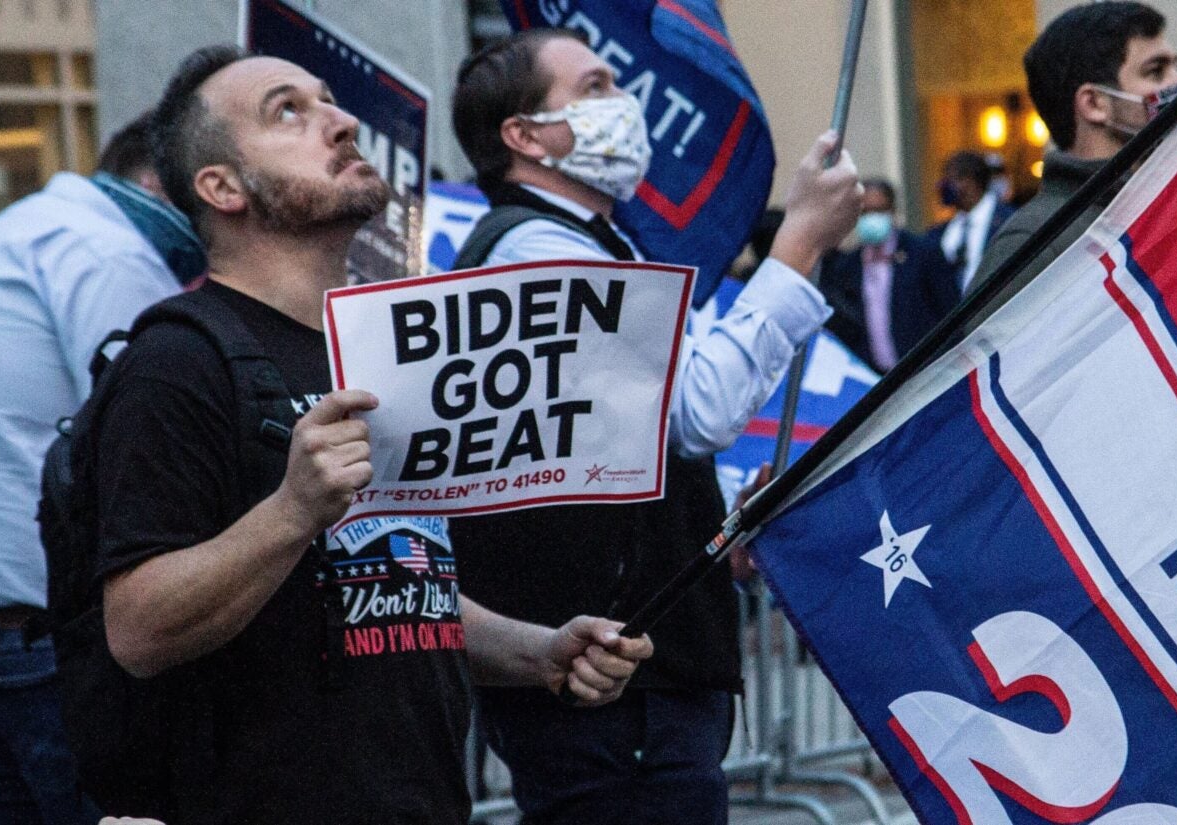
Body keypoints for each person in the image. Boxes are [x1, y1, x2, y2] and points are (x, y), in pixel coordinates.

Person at [87, 45, 650, 824]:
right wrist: (292, 509)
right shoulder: (176, 363)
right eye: (289, 110)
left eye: (328, 100)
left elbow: (395, 578)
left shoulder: (377, 344)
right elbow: (137, 628)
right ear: (221, 187)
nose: (344, 120)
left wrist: (538, 651)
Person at [446, 27, 860, 825]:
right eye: (595, 88)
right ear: (524, 136)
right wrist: (799, 243)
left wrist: (721, 510)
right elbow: (694, 413)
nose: (622, 105)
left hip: (640, 677)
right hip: (611, 685)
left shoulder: (595, 241)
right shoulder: (536, 253)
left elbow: (630, 445)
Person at [0, 110, 205, 825]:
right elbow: (155, 437)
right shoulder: (106, 254)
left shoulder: (23, 231)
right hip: (51, 641)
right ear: (155, 181)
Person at [975, 1, 1177, 294]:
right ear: (1094, 104)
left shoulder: (1175, 202)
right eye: (1155, 72)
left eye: (1176, 66)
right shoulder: (1033, 242)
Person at [822, 178, 961, 371]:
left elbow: (950, 312)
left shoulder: (923, 254)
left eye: (879, 210)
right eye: (865, 212)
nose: (872, 218)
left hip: (923, 371)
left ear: (892, 211)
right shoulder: (848, 265)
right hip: (873, 376)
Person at [929, 150, 1014, 293]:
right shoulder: (939, 232)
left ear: (971, 181)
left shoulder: (1009, 220)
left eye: (951, 179)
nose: (943, 186)